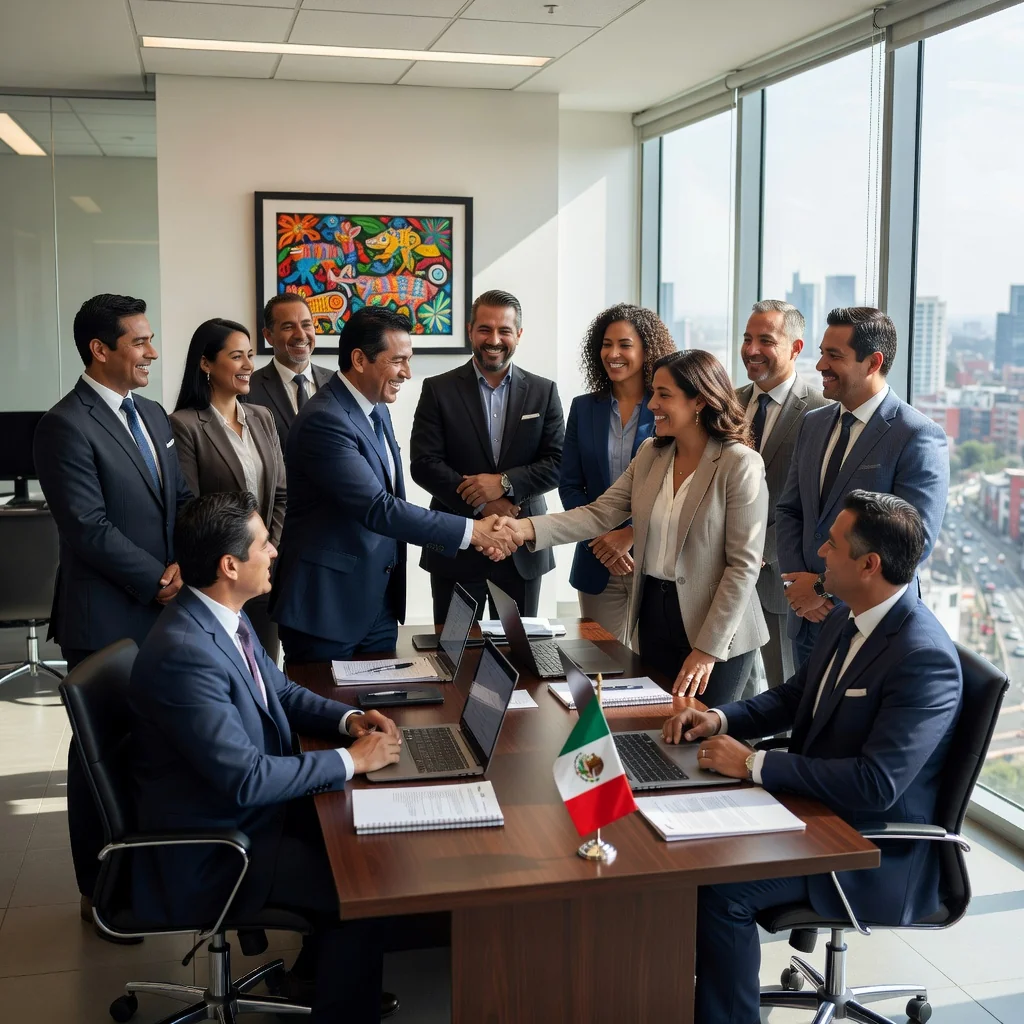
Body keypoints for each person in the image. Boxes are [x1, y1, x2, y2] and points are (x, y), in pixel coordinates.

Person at [662, 491, 962, 1024]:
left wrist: (752, 764)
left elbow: (875, 785)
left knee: (720, 891)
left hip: (869, 847)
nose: (819, 552)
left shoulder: (923, 658)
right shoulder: (852, 617)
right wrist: (721, 719)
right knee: (685, 850)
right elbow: (794, 698)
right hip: (817, 813)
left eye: (833, 544)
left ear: (868, 565)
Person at [129, 491, 403, 1022]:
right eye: (264, 544)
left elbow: (280, 691)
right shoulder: (187, 651)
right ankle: (346, 1005)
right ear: (230, 565)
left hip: (246, 817)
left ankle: (323, 977)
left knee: (364, 839)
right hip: (218, 847)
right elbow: (246, 780)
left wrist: (348, 722)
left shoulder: (222, 613)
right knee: (366, 889)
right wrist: (354, 762)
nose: (275, 551)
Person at [32, 293, 193, 930]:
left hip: (166, 605)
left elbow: (178, 500)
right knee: (101, 758)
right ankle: (100, 891)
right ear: (101, 350)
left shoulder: (152, 414)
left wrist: (186, 564)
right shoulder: (63, 425)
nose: (153, 352)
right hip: (107, 615)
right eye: (140, 342)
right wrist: (158, 577)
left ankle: (149, 873)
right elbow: (87, 528)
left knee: (154, 745)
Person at [501, 350, 768, 708]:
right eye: (653, 393)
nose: (652, 404)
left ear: (700, 401)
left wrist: (707, 650)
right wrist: (522, 529)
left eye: (664, 395)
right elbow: (599, 513)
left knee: (704, 741)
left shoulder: (739, 464)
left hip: (718, 629)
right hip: (655, 614)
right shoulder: (651, 454)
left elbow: (743, 567)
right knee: (656, 727)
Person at [270, 306, 517, 663]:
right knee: (325, 716)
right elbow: (377, 507)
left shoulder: (375, 406)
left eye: (409, 359)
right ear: (359, 359)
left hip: (377, 603)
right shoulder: (325, 420)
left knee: (379, 715)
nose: (407, 372)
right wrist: (475, 532)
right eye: (397, 360)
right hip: (326, 609)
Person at [776, 307, 949, 670]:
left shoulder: (916, 435)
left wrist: (822, 587)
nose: (820, 365)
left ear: (873, 362)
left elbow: (913, 544)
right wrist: (799, 587)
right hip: (806, 619)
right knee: (801, 721)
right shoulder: (813, 423)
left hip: (869, 627)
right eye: (822, 352)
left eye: (834, 356)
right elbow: (790, 510)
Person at [409, 289, 565, 623]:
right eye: (485, 329)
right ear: (470, 330)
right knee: (455, 655)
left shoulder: (543, 391)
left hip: (520, 543)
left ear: (518, 335)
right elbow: (425, 464)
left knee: (522, 657)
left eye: (504, 330)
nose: (494, 339)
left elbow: (557, 462)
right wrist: (484, 505)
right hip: (457, 544)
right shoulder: (438, 389)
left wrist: (505, 484)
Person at [558, 304, 675, 642]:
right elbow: (570, 484)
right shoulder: (583, 408)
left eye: (625, 344)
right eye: (606, 344)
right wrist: (601, 540)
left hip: (655, 561)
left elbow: (679, 486)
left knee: (652, 671)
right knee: (601, 667)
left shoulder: (668, 407)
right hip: (597, 562)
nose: (613, 353)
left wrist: (632, 534)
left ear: (646, 350)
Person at [171, 318, 287, 658]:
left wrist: (266, 551)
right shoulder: (185, 425)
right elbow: (189, 508)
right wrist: (241, 557)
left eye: (250, 355)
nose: (249, 365)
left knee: (264, 668)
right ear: (206, 363)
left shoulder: (262, 416)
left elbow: (280, 494)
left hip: (262, 572)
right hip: (218, 577)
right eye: (237, 356)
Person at [736, 299, 830, 692]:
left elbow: (814, 505)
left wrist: (760, 551)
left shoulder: (822, 412)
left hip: (779, 578)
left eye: (765, 340)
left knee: (783, 691)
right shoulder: (728, 402)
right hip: (724, 577)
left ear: (795, 348)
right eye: (747, 338)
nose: (752, 349)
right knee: (729, 692)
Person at [244, 294, 334, 451]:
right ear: (268, 336)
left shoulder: (337, 382)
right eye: (288, 327)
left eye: (306, 325)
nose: (300, 335)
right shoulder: (248, 389)